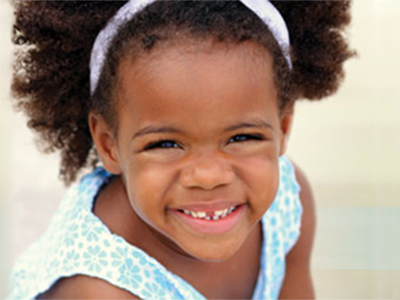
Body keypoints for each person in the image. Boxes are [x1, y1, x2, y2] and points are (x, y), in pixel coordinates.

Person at [8, 0, 353, 299]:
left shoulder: (287, 205)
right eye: (166, 144)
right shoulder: (99, 289)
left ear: (283, 128)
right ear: (108, 145)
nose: (208, 176)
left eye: (242, 138)